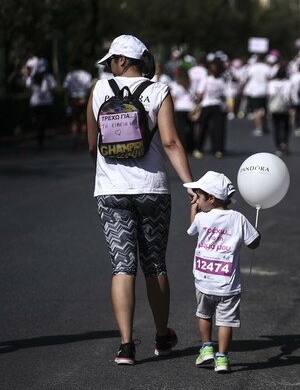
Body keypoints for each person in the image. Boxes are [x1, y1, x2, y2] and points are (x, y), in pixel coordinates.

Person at [86, 34, 197, 365]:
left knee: (122, 265)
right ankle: (162, 337)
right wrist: (191, 184)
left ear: (122, 60)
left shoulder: (99, 90)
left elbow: (92, 144)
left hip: (111, 191)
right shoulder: (158, 91)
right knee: (155, 264)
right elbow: (171, 142)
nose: (108, 67)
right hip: (152, 189)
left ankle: (125, 346)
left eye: (110, 61)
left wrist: (105, 173)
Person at [184, 171, 261, 373]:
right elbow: (254, 243)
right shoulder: (238, 218)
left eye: (199, 197)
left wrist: (192, 208)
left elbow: (192, 227)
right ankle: (222, 358)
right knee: (225, 322)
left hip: (203, 279)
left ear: (211, 198)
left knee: (204, 314)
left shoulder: (201, 218)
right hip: (227, 283)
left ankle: (207, 347)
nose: (197, 201)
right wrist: (257, 233)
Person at [192, 55, 228, 159]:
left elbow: (199, 94)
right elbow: (200, 94)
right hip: (208, 105)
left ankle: (216, 149)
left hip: (216, 105)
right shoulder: (207, 79)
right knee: (205, 128)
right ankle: (205, 148)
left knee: (217, 128)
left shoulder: (220, 80)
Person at [25, 58, 57, 148]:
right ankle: (40, 136)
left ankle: (40, 137)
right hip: (40, 103)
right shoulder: (42, 77)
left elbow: (28, 88)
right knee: (40, 122)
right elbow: (53, 88)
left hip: (42, 103)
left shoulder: (47, 77)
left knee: (41, 122)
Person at [63, 62, 93, 148]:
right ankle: (84, 138)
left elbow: (66, 89)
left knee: (74, 120)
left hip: (73, 99)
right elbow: (90, 88)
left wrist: (66, 102)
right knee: (84, 120)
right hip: (83, 99)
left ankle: (74, 138)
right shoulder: (86, 75)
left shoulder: (70, 75)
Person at [267, 65, 293, 155]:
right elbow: (289, 96)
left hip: (274, 107)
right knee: (286, 127)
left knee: (276, 127)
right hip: (285, 107)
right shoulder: (288, 83)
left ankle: (278, 146)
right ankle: (284, 143)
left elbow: (270, 95)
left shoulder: (272, 83)